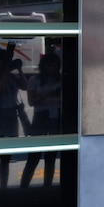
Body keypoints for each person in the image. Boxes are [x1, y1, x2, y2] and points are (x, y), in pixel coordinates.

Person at [0, 48, 28, 189]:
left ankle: (3, 186)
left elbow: (25, 86)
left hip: (11, 115)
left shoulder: (11, 76)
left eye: (6, 62)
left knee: (6, 156)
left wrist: (19, 70)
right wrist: (5, 72)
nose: (4, 64)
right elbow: (0, 89)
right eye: (2, 62)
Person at [21, 53, 62, 188]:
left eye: (54, 65)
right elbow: (31, 102)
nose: (51, 68)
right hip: (41, 116)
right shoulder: (35, 80)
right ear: (43, 66)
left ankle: (47, 187)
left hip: (57, 116)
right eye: (49, 65)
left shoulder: (61, 80)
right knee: (34, 156)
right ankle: (24, 187)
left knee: (51, 157)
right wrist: (49, 94)